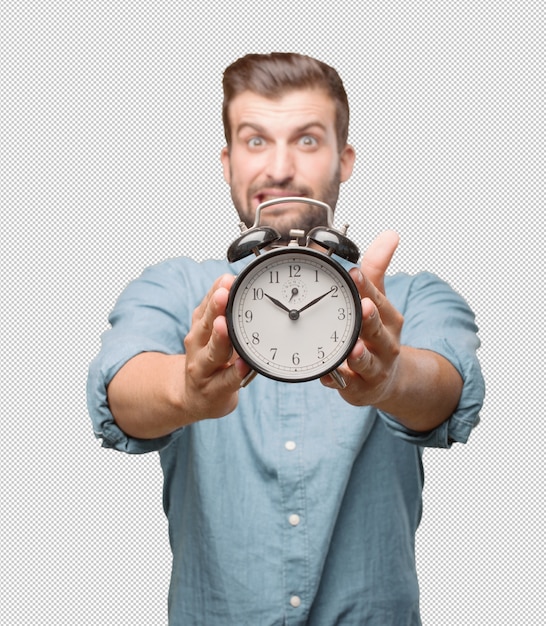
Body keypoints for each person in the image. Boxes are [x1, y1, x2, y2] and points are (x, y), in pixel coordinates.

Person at [87, 52, 485, 625]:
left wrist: (391, 377)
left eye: (305, 140)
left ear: (344, 159)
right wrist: (186, 389)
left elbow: (447, 390)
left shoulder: (413, 298)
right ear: (226, 162)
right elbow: (121, 389)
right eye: (254, 141)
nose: (278, 168)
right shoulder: (175, 290)